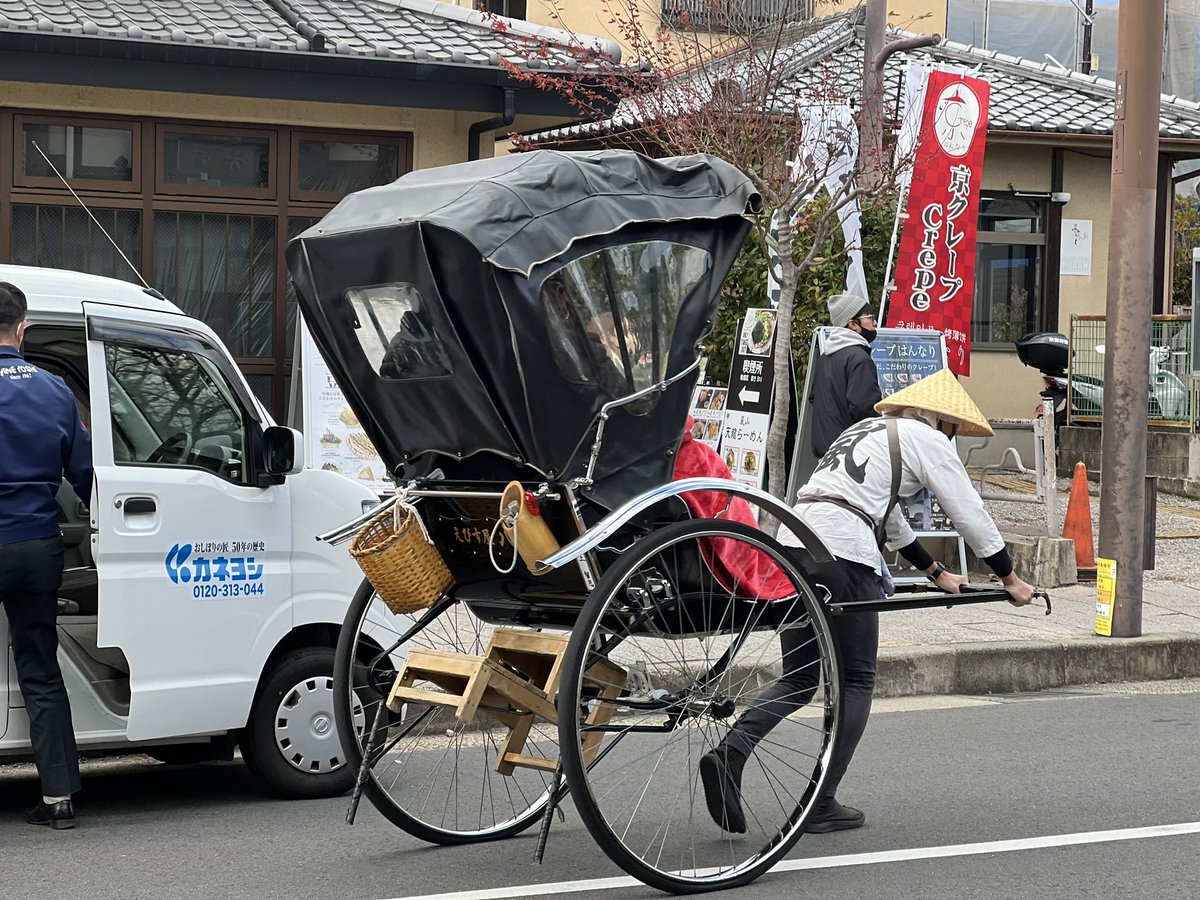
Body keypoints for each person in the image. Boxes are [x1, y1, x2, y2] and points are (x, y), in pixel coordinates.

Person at [700, 368, 1036, 835]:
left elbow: (889, 520)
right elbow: (969, 512)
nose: (953, 439)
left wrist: (936, 573)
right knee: (856, 679)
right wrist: (1010, 577)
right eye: (954, 430)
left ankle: (731, 752)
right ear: (939, 418)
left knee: (800, 678)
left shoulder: (863, 432)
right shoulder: (926, 437)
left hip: (795, 547)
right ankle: (821, 802)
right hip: (842, 556)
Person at [0, 281, 92, 829]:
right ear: (23, 328)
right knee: (39, 668)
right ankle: (58, 797)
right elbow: (82, 475)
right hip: (35, 546)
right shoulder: (55, 390)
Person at [809, 293, 882, 459]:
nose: (874, 323)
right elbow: (865, 408)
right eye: (870, 317)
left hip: (824, 452)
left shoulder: (825, 357)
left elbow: (814, 399)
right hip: (849, 455)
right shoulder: (859, 358)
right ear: (853, 324)